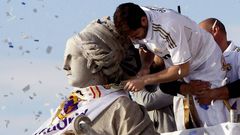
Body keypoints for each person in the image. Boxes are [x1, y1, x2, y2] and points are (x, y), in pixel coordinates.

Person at [33, 17, 158, 135]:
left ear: (95, 65)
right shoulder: (69, 107)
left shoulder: (124, 109)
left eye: (72, 58)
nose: (65, 66)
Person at [113, 2, 228, 127]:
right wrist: (145, 67)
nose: (135, 39)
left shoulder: (169, 26)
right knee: (183, 121)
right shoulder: (136, 17)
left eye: (135, 35)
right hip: (178, 63)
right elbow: (146, 45)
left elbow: (181, 70)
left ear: (144, 20)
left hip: (205, 63)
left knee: (210, 118)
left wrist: (144, 80)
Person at [131, 55, 177, 133]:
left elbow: (147, 102)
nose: (148, 59)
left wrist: (137, 80)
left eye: (152, 53)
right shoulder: (148, 77)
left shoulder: (176, 76)